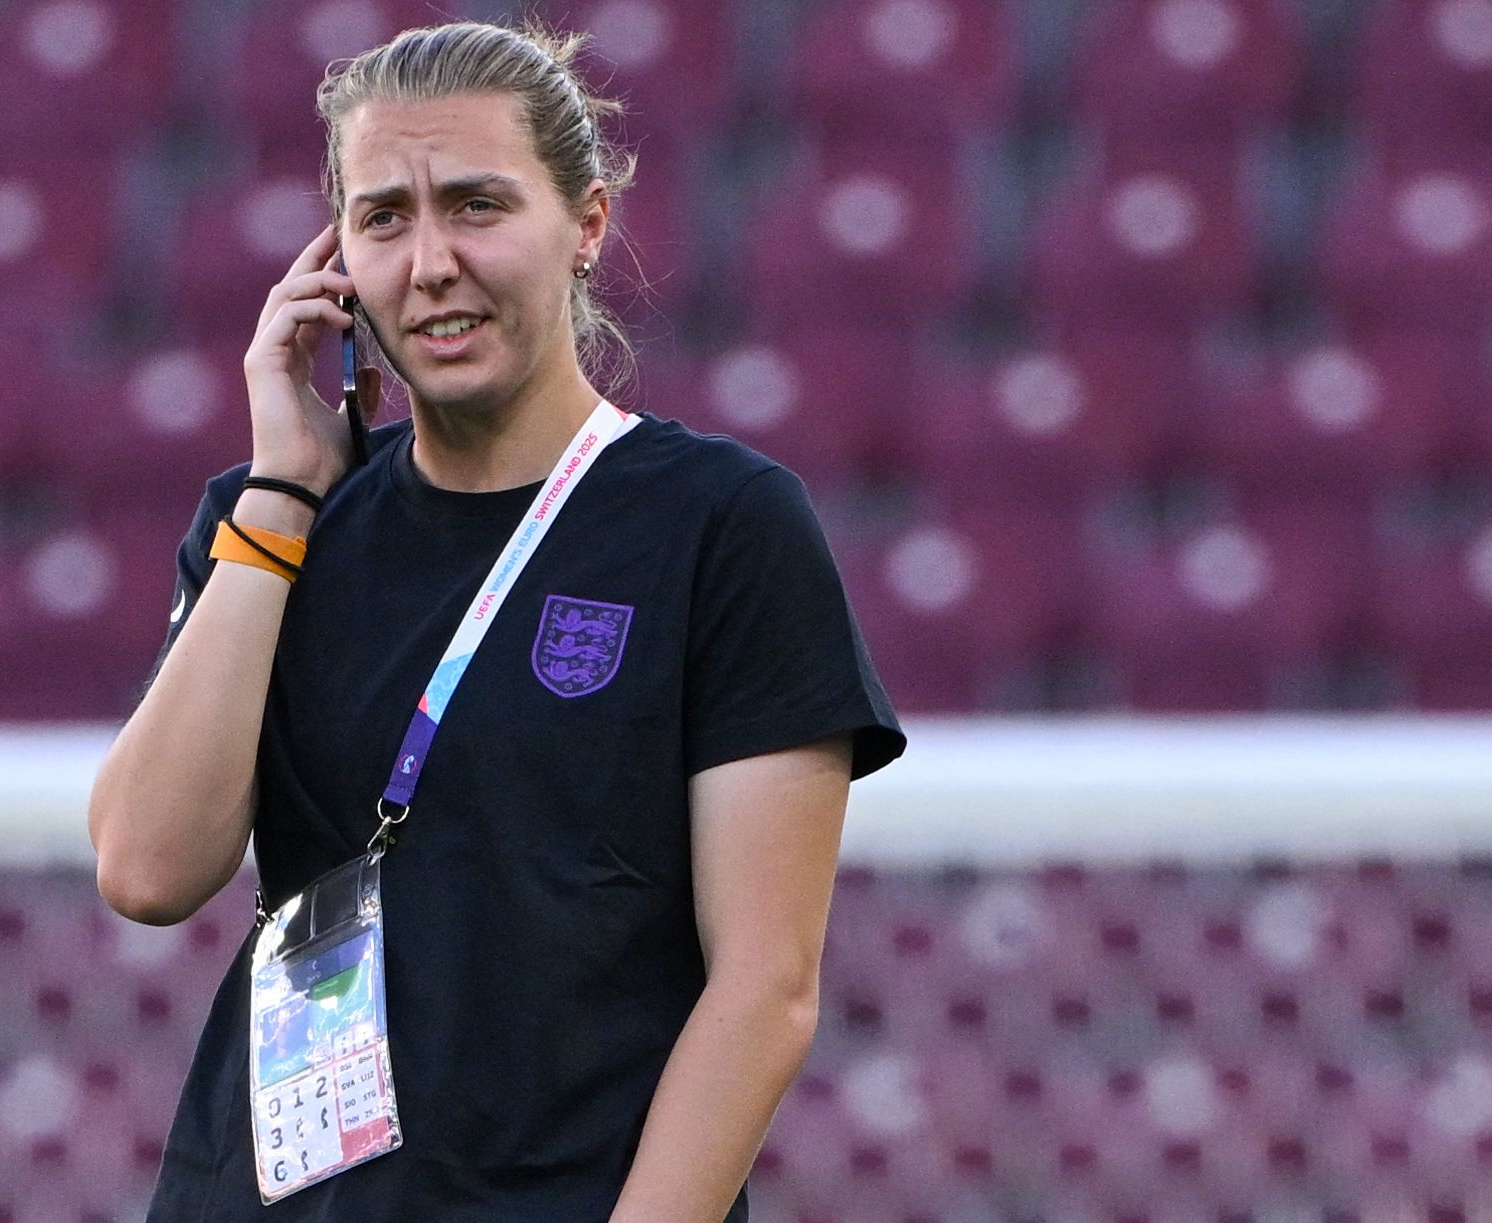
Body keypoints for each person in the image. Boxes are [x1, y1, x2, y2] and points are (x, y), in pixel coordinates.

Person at [89, 20, 906, 1222]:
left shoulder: (720, 524)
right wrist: (278, 493)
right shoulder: (270, 517)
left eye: (476, 205)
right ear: (332, 263)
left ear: (585, 224)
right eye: (382, 217)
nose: (429, 262)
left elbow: (765, 987)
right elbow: (147, 867)